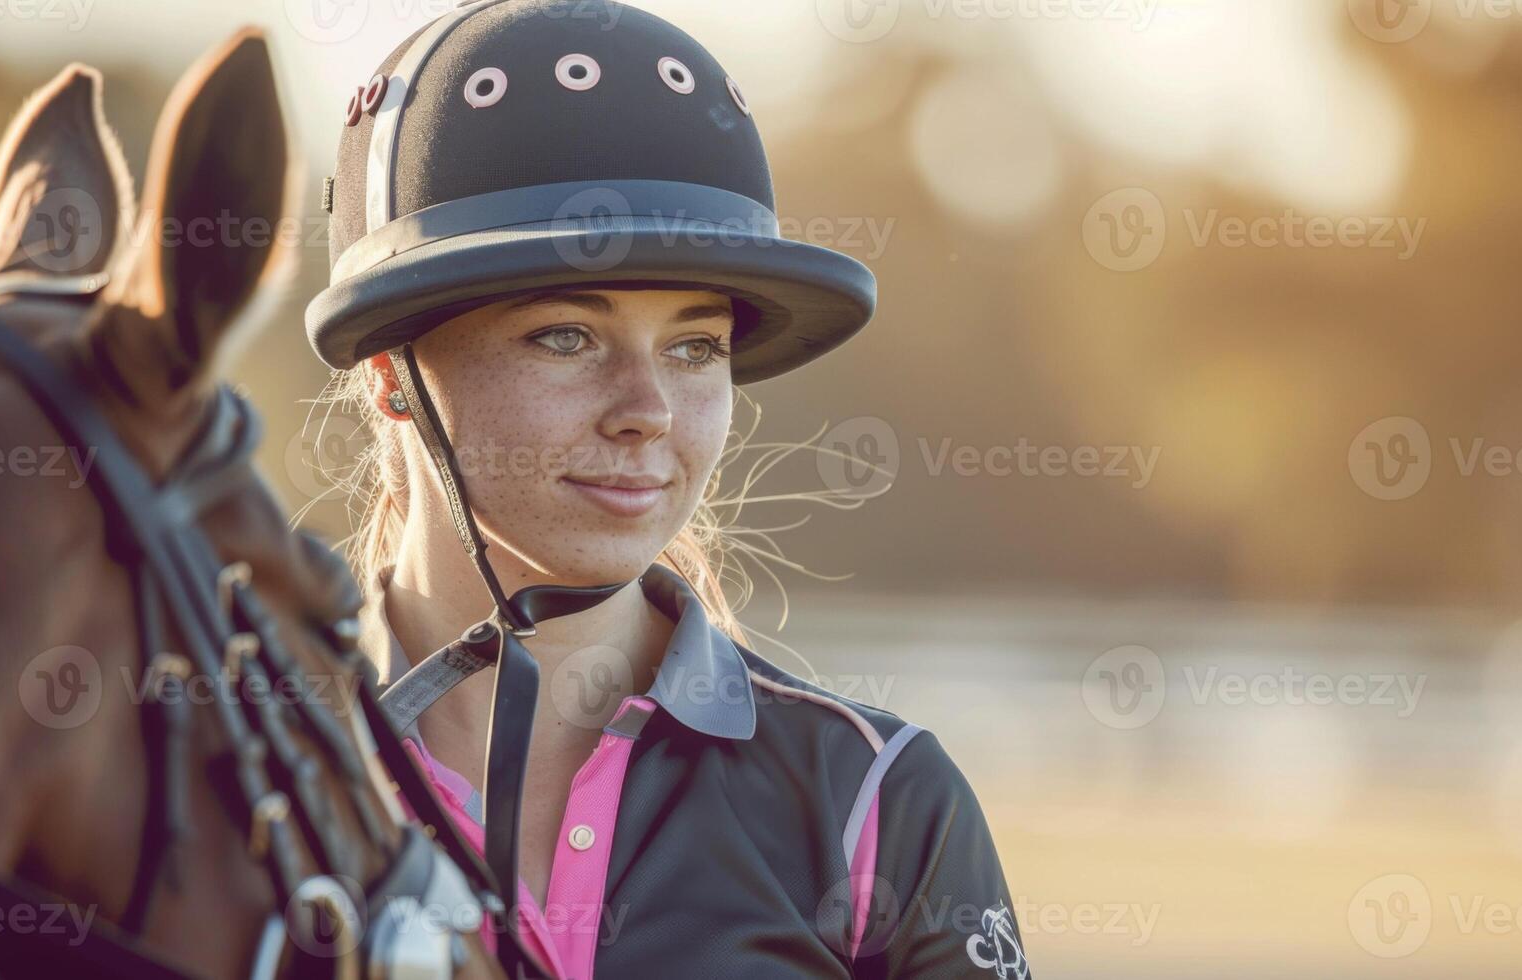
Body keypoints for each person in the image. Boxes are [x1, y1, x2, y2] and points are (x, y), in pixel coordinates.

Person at [305, 3, 1031, 977]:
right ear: (393, 369)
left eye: (696, 347)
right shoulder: (226, 781)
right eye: (565, 335)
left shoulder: (874, 800)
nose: (647, 409)